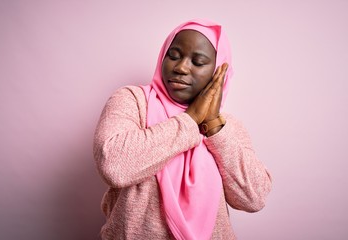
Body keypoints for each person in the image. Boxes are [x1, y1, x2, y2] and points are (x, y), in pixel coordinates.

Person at [93, 19, 272, 240]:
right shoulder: (132, 101)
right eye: (174, 56)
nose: (181, 67)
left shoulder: (227, 128)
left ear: (218, 72)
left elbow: (254, 198)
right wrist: (190, 120)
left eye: (198, 62)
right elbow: (114, 166)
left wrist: (213, 126)